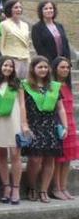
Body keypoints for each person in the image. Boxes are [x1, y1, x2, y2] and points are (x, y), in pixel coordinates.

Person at [22, 56, 68, 204]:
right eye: (40, 67)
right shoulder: (25, 85)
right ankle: (31, 186)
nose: (43, 70)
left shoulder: (54, 86)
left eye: (45, 67)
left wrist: (65, 125)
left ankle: (43, 190)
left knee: (50, 159)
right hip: (34, 125)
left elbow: (60, 108)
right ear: (33, 69)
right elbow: (22, 107)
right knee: (35, 159)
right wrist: (24, 125)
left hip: (51, 126)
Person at [0, 56, 27, 205]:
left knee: (15, 155)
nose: (8, 68)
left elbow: (22, 105)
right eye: (5, 66)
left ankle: (16, 188)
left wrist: (24, 124)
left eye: (10, 66)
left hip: (14, 121)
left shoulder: (17, 84)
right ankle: (6, 187)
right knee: (1, 155)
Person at [52, 57, 77, 201]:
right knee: (58, 158)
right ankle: (55, 188)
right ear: (55, 68)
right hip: (59, 124)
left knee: (68, 158)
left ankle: (63, 186)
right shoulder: (52, 85)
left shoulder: (67, 85)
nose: (65, 70)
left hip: (70, 124)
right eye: (62, 67)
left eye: (67, 67)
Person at [0, 0, 30, 79]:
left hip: (25, 59)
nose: (18, 9)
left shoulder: (25, 25)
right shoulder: (4, 25)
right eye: (15, 7)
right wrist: (3, 62)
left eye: (20, 7)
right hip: (11, 59)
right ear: (9, 9)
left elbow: (27, 44)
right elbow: (0, 45)